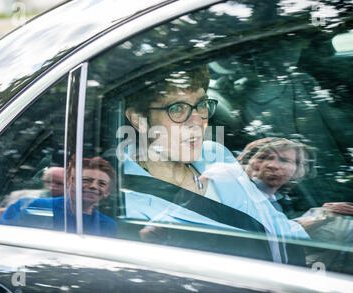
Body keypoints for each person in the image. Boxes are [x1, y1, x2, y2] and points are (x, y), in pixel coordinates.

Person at [121, 64, 309, 263]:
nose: (197, 121)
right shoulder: (123, 197)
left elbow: (269, 220)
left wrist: (319, 221)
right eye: (176, 108)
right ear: (139, 119)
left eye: (201, 105)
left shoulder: (215, 153)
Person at [237, 137, 353, 233]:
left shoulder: (277, 200)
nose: (272, 165)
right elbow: (273, 236)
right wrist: (322, 217)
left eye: (284, 160)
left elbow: (282, 226)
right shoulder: (238, 193)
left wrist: (321, 213)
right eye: (263, 157)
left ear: (298, 171)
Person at [0, 157, 117, 237]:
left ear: (107, 192)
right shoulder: (30, 206)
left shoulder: (108, 225)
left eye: (101, 183)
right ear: (70, 183)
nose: (93, 186)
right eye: (86, 180)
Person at [0, 167, 65, 221]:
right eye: (48, 181)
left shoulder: (72, 203)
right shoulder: (18, 196)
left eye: (59, 183)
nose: (52, 185)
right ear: (43, 181)